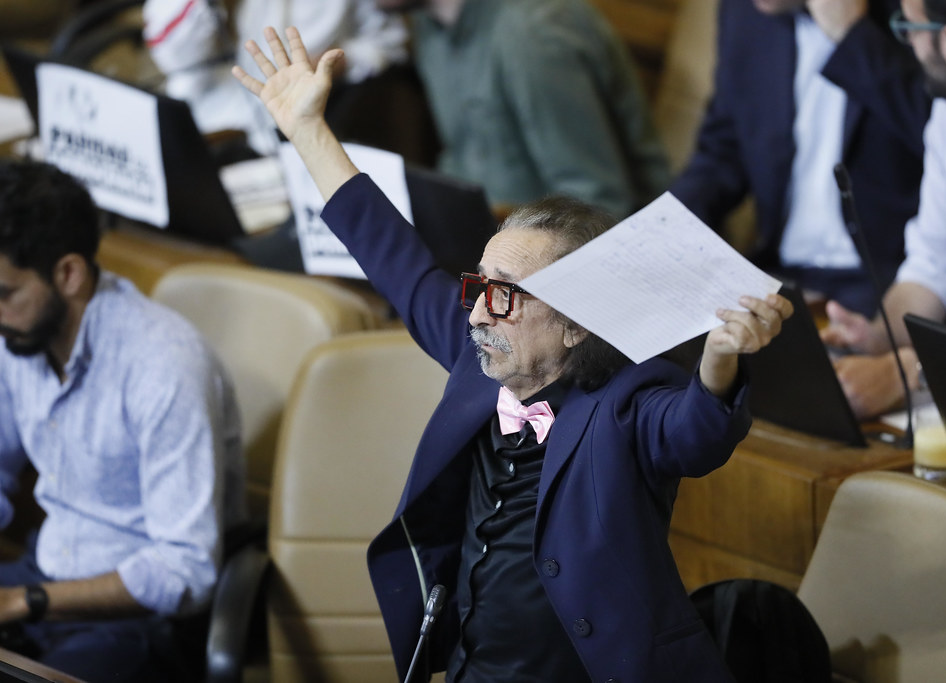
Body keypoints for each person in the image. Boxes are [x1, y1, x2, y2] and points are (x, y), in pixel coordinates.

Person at [233, 27, 793, 682]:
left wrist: (719, 356)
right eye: (478, 285)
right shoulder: (481, 353)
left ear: (576, 326)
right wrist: (308, 131)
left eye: (506, 296)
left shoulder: (626, 405)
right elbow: (391, 250)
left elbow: (695, 432)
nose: (475, 312)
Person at [0, 160, 246, 681]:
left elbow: (187, 569)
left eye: (5, 295)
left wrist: (28, 600)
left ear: (68, 274)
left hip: (135, 620)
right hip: (43, 578)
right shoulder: (20, 336)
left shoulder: (163, 364)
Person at [821, 0, 946, 418]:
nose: (907, 42)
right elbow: (933, 267)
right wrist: (883, 338)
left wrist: (903, 373)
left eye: (909, 27)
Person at [670, 0, 931, 317]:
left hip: (891, 280)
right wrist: (662, 231)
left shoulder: (913, 12)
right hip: (775, 273)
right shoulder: (743, 13)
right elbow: (723, 152)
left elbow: (943, 136)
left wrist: (853, 36)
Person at [372, 0, 670, 221]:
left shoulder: (531, 30)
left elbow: (598, 202)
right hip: (489, 237)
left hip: (568, 254)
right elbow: (462, 159)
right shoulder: (430, 24)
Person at [143, 0, 408, 155]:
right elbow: (173, 52)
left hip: (303, 115)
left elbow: (389, 42)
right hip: (226, 103)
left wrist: (333, 62)